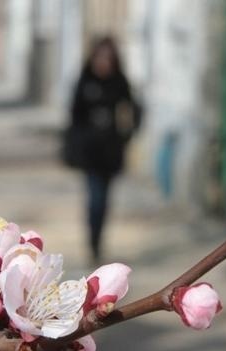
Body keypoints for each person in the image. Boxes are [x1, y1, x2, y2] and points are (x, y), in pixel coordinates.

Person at [65, 36, 139, 263]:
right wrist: (80, 141)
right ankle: (93, 243)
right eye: (100, 57)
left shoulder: (119, 82)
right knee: (95, 199)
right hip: (90, 154)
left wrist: (126, 135)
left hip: (111, 153)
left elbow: (134, 109)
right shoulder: (85, 81)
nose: (104, 63)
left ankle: (98, 239)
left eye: (108, 58)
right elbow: (74, 116)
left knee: (104, 201)